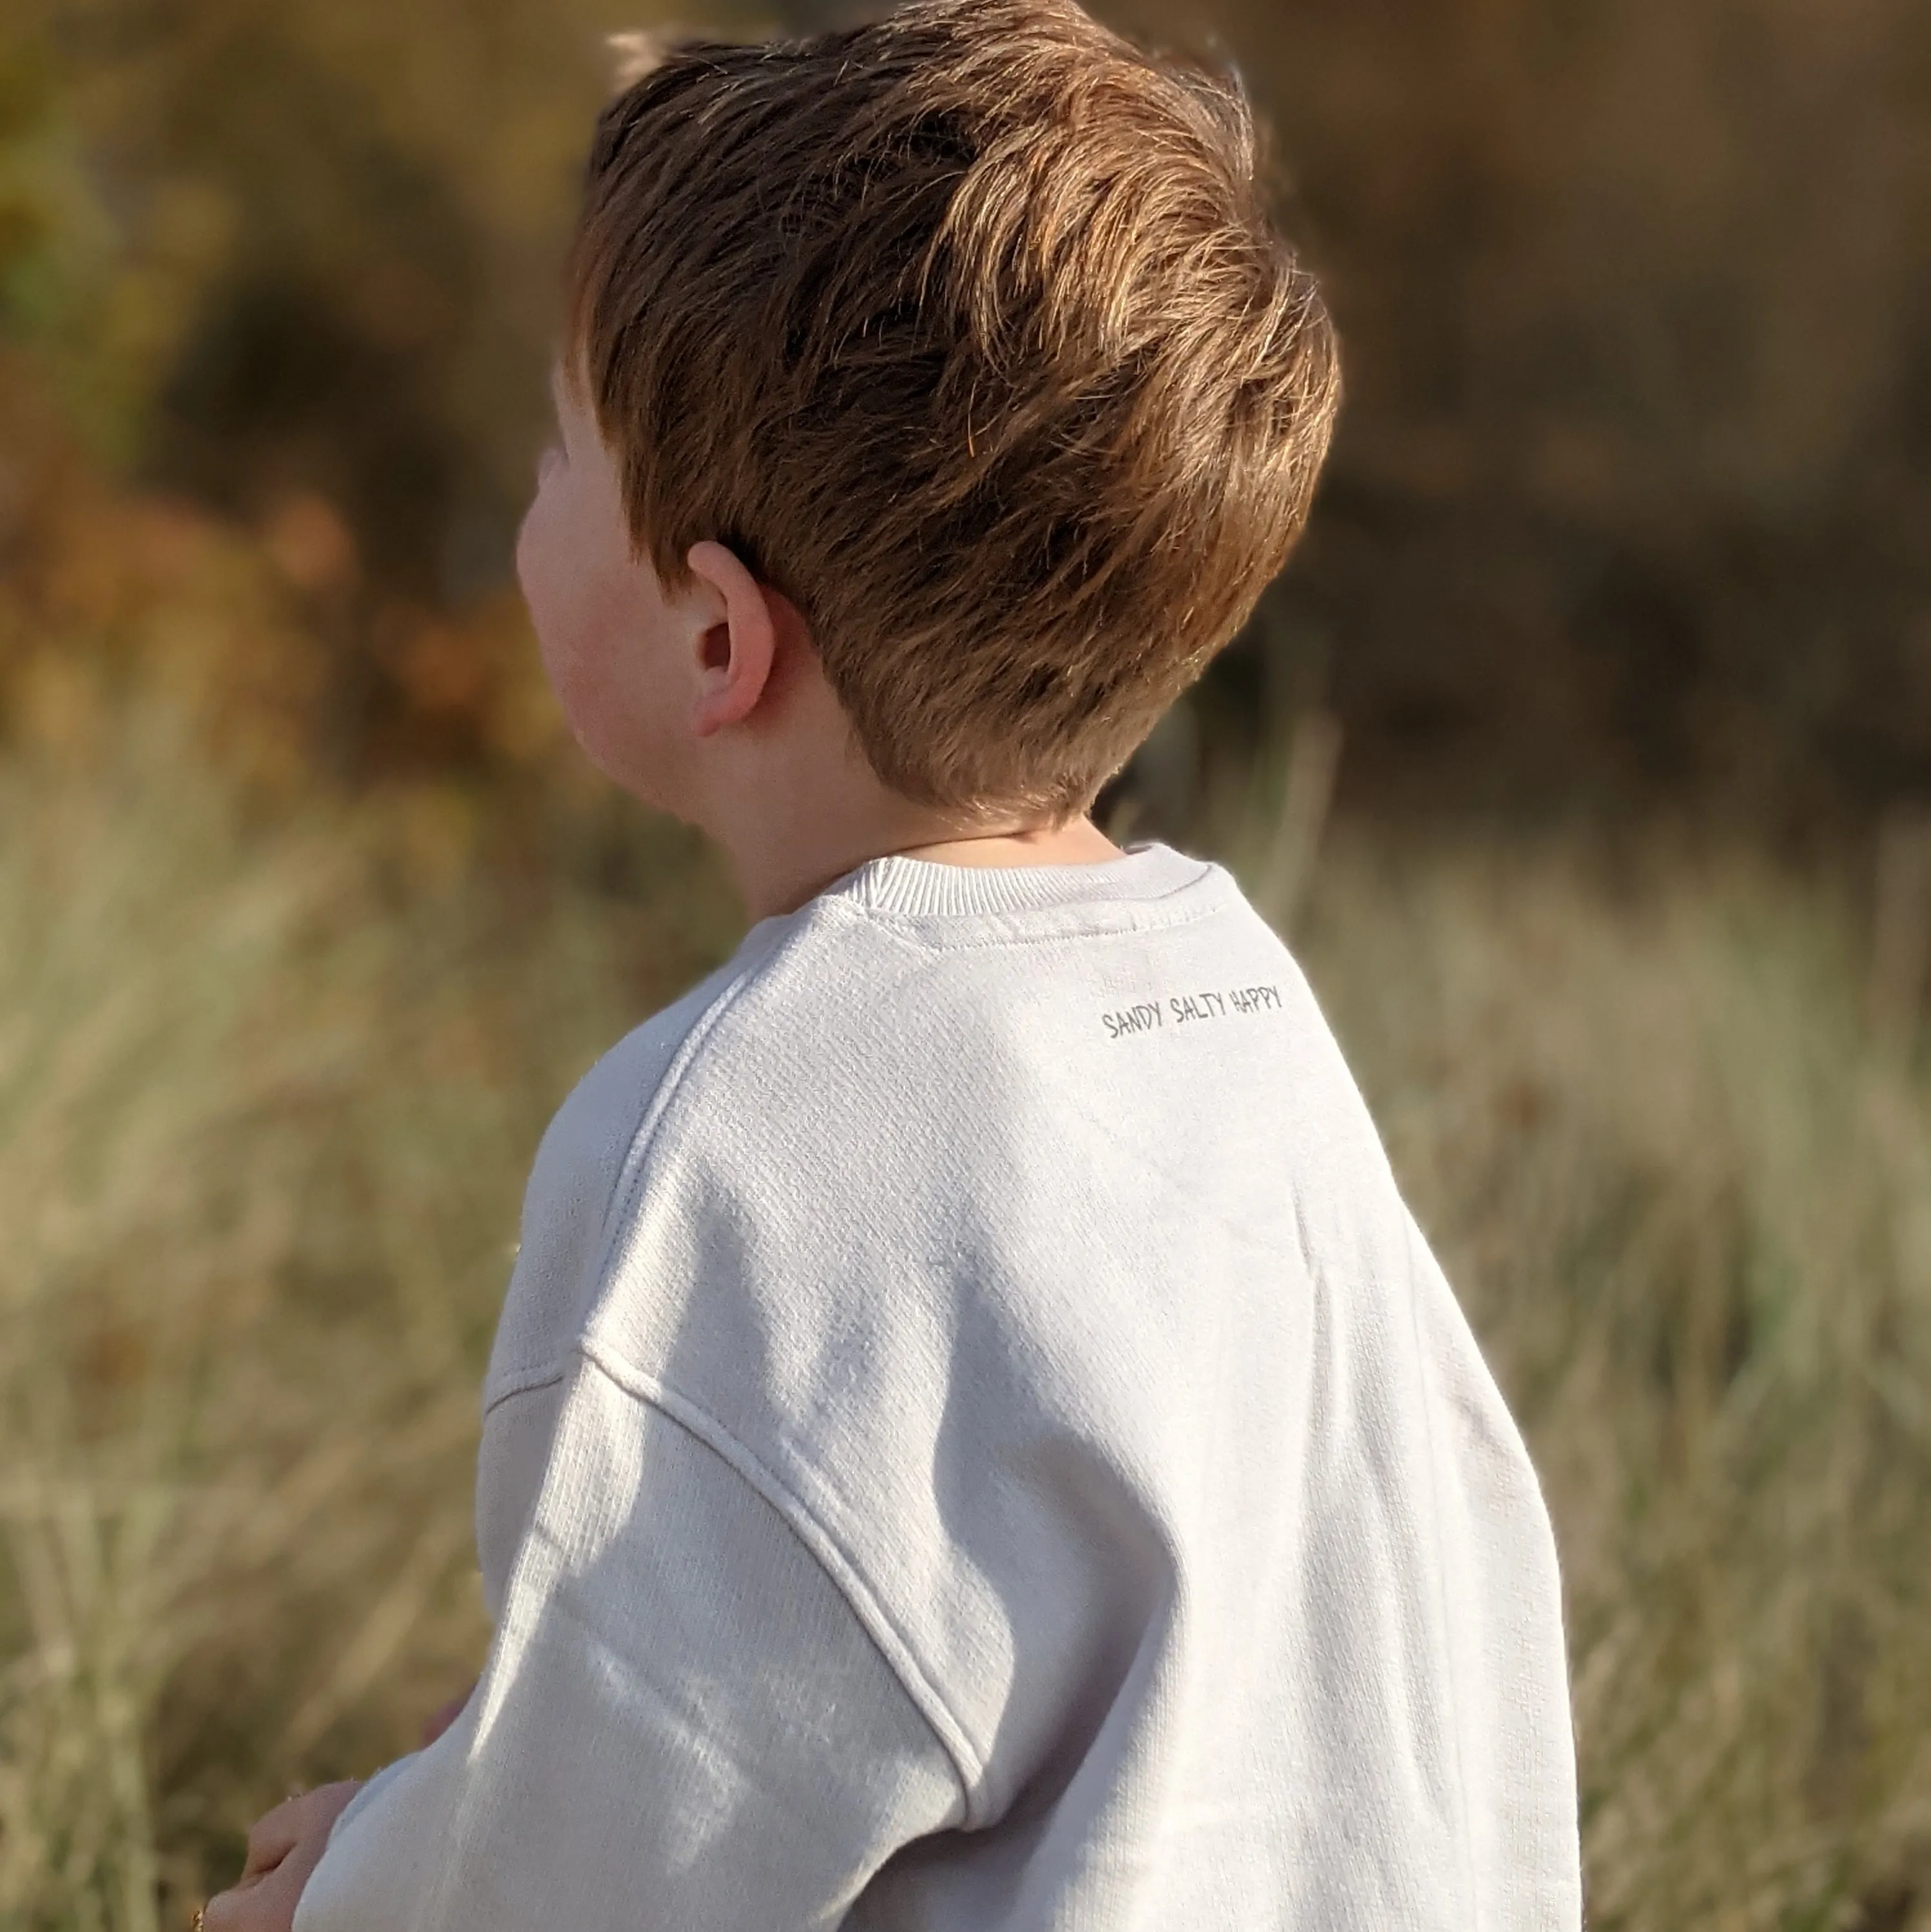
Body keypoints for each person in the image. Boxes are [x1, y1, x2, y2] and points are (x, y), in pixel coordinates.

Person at [204, 1, 1582, 1926]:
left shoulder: (737, 1138)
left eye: (553, 449)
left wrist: (348, 1889)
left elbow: (594, 1879)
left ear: (714, 642)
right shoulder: (1237, 1017)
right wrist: (456, 1775)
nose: (521, 502)